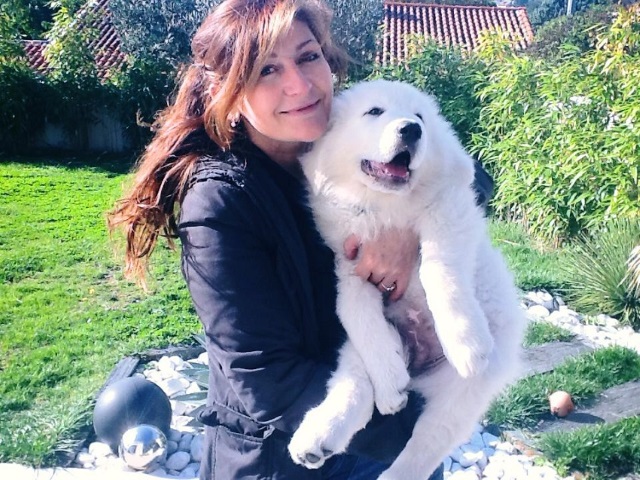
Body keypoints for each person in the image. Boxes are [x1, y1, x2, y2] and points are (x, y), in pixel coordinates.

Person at [109, 0, 488, 477]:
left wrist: (410, 235)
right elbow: (266, 381)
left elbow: (463, 172)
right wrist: (426, 428)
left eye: (308, 57)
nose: (300, 85)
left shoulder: (345, 128)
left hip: (385, 412)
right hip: (286, 452)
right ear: (231, 93)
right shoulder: (220, 203)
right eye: (267, 70)